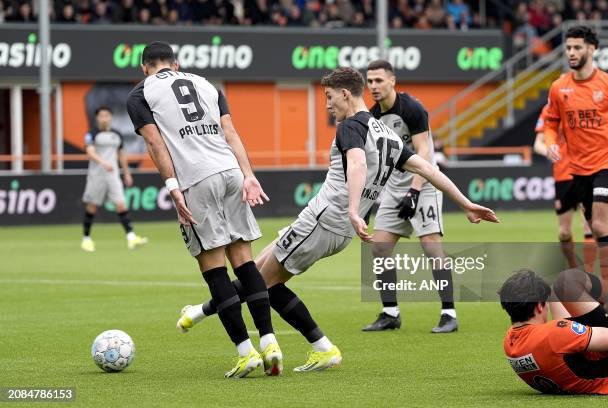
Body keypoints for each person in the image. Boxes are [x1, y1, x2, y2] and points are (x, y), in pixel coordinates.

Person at [178, 66, 499, 372]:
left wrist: (353, 209)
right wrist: (467, 203)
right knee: (258, 270)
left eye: (329, 98)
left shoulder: (351, 126)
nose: (328, 106)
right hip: (338, 228)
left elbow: (357, 165)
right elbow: (429, 169)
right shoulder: (386, 132)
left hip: (324, 220)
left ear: (345, 94)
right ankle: (208, 314)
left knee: (260, 283)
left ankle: (317, 347)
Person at [126, 41, 281, 378]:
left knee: (214, 270)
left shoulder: (140, 94)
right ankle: (270, 343)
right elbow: (230, 132)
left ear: (144, 67)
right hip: (230, 171)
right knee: (244, 261)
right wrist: (249, 175)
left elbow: (154, 142)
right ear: (176, 64)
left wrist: (172, 186)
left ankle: (246, 353)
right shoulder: (207, 84)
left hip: (197, 179)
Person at [362, 59, 457, 333]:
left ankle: (449, 313)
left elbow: (424, 153)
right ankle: (390, 313)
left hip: (424, 183)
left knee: (431, 247)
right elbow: (376, 162)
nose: (374, 86)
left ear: (392, 80)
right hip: (393, 186)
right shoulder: (372, 116)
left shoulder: (412, 108)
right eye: (370, 81)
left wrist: (414, 191)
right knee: (379, 248)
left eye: (379, 80)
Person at [544, 25, 608, 289]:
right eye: (568, 48)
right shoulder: (559, 88)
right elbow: (550, 122)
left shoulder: (606, 85)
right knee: (595, 230)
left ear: (592, 49)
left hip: (606, 163)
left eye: (577, 47)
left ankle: (607, 291)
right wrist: (550, 143)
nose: (571, 53)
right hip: (578, 169)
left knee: (599, 223)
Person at [500, 269, 608, 394]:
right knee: (568, 280)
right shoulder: (554, 334)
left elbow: (558, 342)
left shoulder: (510, 340)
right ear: (539, 306)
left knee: (556, 292)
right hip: (605, 370)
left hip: (571, 370)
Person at [533, 104, 597, 271]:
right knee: (564, 232)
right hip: (563, 176)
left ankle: (590, 276)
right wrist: (550, 151)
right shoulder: (549, 109)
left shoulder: (588, 104)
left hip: (587, 172)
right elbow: (537, 144)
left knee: (589, 226)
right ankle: (574, 268)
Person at [81, 106, 147, 252]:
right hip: (96, 175)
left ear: (110, 117)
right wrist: (103, 162)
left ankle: (131, 238)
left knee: (121, 205)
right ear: (97, 118)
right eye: (101, 116)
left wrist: (127, 173)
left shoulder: (117, 134)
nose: (104, 118)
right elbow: (90, 151)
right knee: (92, 206)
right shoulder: (92, 134)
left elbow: (121, 154)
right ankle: (86, 239)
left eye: (107, 116)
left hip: (113, 176)